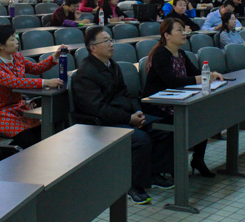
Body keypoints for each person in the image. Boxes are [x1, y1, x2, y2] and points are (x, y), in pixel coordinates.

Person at [72, 26, 174, 204]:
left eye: (111, 40)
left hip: (123, 115)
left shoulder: (112, 65)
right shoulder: (85, 74)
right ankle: (133, 185)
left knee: (164, 128)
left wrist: (137, 112)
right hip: (102, 124)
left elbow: (126, 93)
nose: (111, 44)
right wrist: (129, 119)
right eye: (106, 41)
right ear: (93, 48)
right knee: (141, 140)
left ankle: (154, 173)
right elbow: (98, 109)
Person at [143, 18, 223, 178]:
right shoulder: (160, 54)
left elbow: (195, 73)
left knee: (203, 117)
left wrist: (211, 74)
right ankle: (172, 167)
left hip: (178, 100)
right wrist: (201, 78)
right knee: (187, 120)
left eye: (183, 30)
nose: (184, 33)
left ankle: (198, 159)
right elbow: (172, 81)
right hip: (158, 105)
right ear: (167, 35)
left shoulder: (181, 54)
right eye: (179, 30)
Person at [0, 24, 64, 149]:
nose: (17, 41)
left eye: (15, 37)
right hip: (1, 112)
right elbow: (14, 82)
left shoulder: (17, 57)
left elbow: (36, 68)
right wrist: (46, 82)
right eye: (12, 39)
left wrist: (55, 57)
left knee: (43, 134)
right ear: (1, 46)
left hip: (20, 108)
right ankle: (3, 156)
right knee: (29, 141)